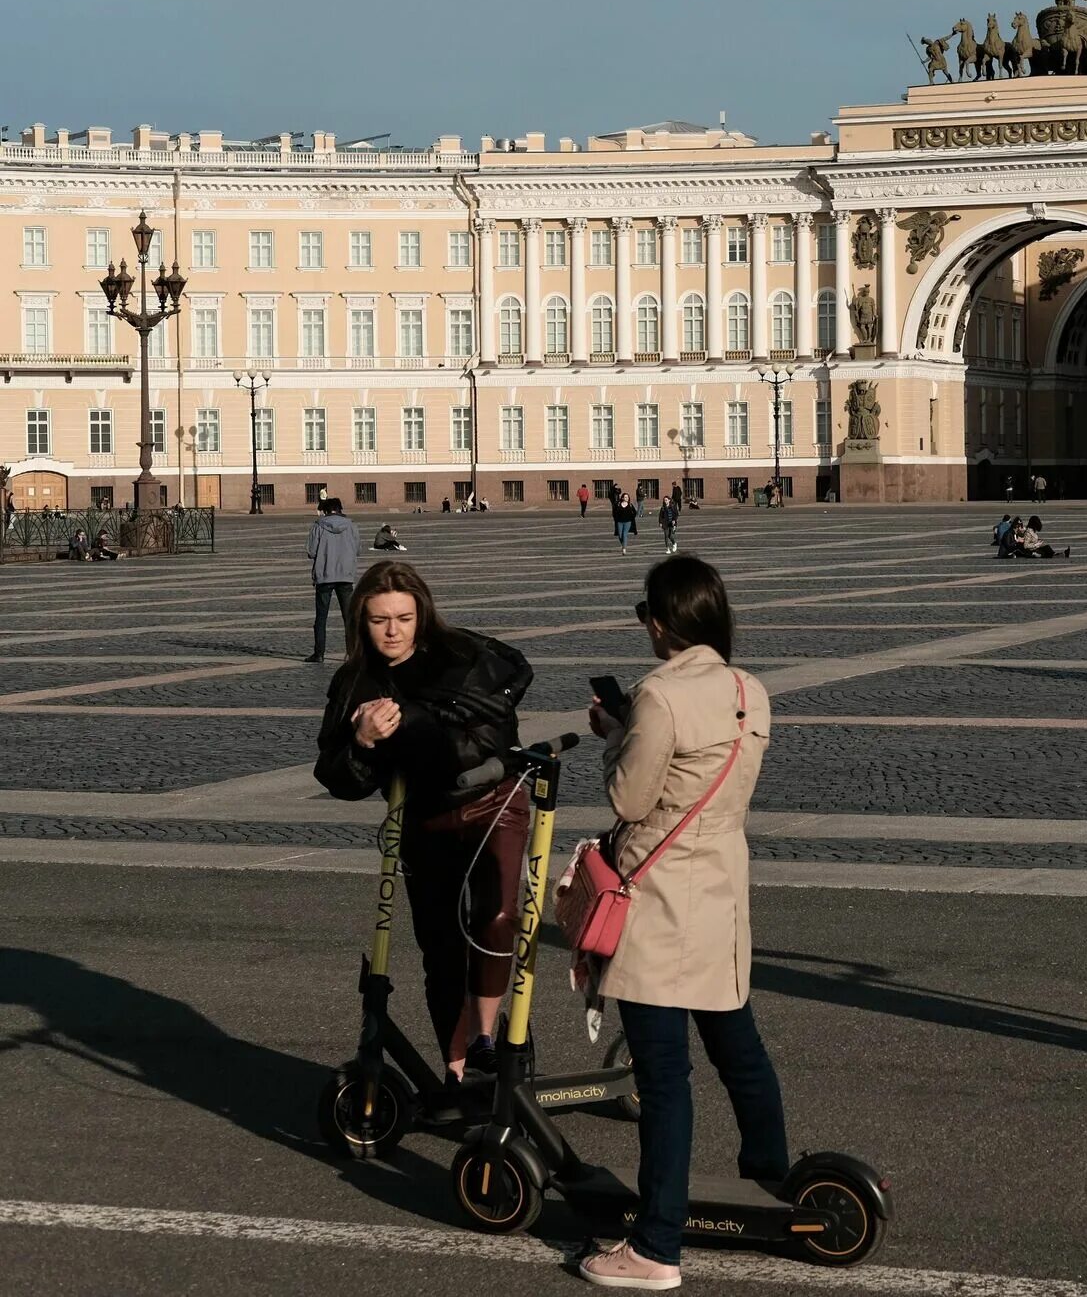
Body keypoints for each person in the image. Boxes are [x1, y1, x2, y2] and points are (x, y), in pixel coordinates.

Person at [579, 557, 783, 1290]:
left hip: (660, 895)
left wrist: (614, 732)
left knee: (665, 1077)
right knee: (740, 1051)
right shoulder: (748, 690)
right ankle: (771, 1181)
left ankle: (656, 1245)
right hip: (722, 887)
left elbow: (631, 798)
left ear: (661, 622)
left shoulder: (658, 694)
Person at [314, 561, 536, 1094]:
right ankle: (457, 1068)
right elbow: (336, 774)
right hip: (423, 815)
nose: (393, 631)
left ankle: (488, 1040)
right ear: (360, 623)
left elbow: (505, 706)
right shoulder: (356, 683)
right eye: (379, 620)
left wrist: (438, 726)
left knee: (497, 916)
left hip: (491, 802)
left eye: (404, 618)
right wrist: (364, 741)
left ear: (422, 615)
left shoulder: (461, 653)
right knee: (439, 946)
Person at [305, 497, 360, 663]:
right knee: (348, 618)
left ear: (325, 511)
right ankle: (352, 653)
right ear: (340, 509)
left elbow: (311, 552)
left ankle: (319, 653)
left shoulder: (318, 526)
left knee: (321, 618)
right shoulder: (351, 526)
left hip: (324, 576)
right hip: (345, 576)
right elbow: (358, 550)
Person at [613, 489, 639, 555]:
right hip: (619, 522)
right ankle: (623, 545)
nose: (626, 498)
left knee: (624, 534)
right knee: (620, 535)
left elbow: (635, 512)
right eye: (625, 497)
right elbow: (614, 512)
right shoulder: (618, 504)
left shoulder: (630, 505)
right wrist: (616, 518)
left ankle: (624, 549)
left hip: (628, 522)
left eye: (627, 497)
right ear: (622, 498)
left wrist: (631, 517)